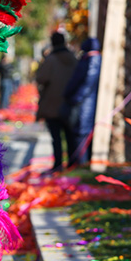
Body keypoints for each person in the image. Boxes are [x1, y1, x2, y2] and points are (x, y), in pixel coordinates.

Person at [36, 32, 78, 172]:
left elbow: (40, 78)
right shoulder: (73, 58)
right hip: (69, 103)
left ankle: (58, 164)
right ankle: (73, 163)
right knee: (70, 135)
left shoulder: (51, 59)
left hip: (52, 104)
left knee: (56, 138)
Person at [63, 37, 102, 165]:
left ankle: (81, 163)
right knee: (77, 133)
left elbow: (87, 83)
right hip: (82, 103)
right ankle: (77, 162)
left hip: (85, 105)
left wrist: (76, 98)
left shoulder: (93, 60)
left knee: (82, 134)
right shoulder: (87, 59)